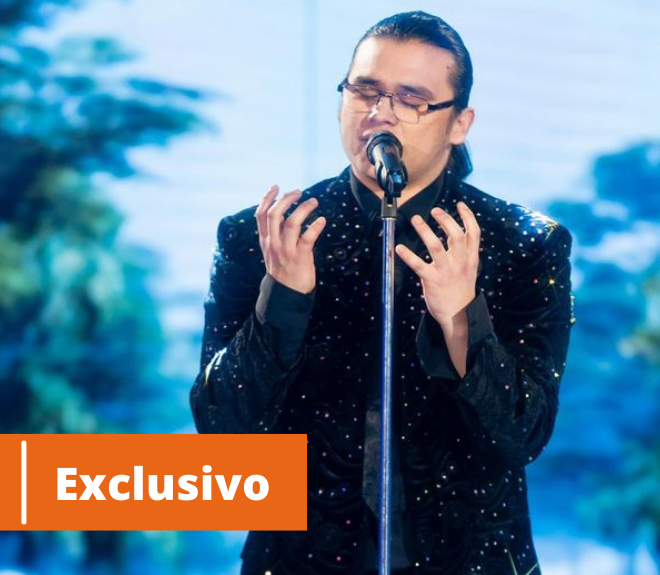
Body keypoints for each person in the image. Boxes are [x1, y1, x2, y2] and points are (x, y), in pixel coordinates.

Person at [190, 11, 574, 575]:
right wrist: (283, 300)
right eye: (364, 91)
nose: (380, 112)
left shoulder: (522, 244)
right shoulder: (264, 234)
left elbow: (523, 433)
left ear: (459, 123)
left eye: (412, 99)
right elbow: (222, 430)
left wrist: (461, 318)